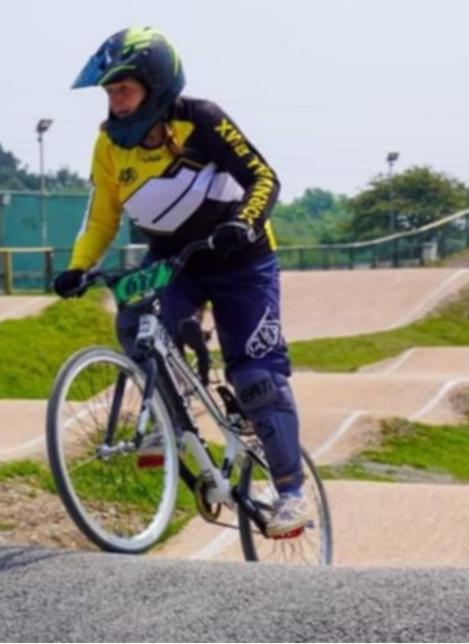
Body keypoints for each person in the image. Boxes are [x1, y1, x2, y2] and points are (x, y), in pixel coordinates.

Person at [53, 26, 307, 536]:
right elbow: (103, 216)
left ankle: (291, 493)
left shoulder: (202, 119)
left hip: (242, 261)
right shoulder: (108, 145)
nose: (115, 102)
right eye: (108, 92)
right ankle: (169, 424)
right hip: (174, 262)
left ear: (157, 85)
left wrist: (244, 223)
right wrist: (79, 265)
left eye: (123, 89)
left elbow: (264, 178)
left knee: (255, 378)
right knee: (135, 325)